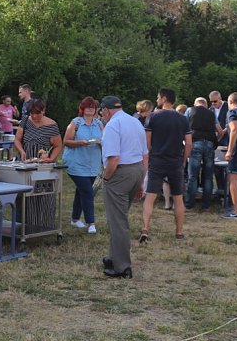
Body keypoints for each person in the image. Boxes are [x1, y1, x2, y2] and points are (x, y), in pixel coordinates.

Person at [99, 96, 148, 278]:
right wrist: (141, 180)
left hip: (119, 173)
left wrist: (106, 178)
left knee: (118, 222)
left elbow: (114, 159)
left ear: (105, 110)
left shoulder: (112, 125)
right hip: (136, 171)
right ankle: (113, 256)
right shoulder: (135, 122)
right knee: (118, 217)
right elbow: (145, 156)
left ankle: (122, 267)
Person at [141, 88, 191, 242]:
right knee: (178, 198)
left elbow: (147, 143)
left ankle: (145, 229)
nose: (156, 100)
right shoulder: (183, 119)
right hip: (175, 161)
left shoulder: (152, 117)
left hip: (157, 160)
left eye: (158, 98)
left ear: (163, 99)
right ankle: (179, 231)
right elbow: (189, 143)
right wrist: (183, 160)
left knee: (150, 197)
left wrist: (147, 159)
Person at [62, 97, 104, 234]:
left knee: (81, 191)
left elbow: (104, 140)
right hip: (76, 163)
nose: (91, 109)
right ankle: (91, 222)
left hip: (93, 164)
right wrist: (80, 142)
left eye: (93, 107)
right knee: (87, 192)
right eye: (88, 106)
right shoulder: (76, 123)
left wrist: (101, 142)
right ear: (82, 109)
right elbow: (66, 141)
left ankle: (74, 219)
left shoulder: (99, 124)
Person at [186, 97, 223, 211]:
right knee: (208, 176)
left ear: (195, 104)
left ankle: (189, 203)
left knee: (193, 175)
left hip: (195, 142)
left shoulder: (190, 110)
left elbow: (184, 127)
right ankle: (206, 204)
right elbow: (220, 131)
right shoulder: (211, 113)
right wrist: (216, 141)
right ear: (206, 105)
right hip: (209, 144)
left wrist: (185, 143)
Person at [209, 91, 230, 198]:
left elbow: (231, 121)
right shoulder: (211, 109)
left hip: (226, 138)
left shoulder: (228, 106)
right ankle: (220, 188)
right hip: (216, 138)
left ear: (220, 98)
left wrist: (223, 131)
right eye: (211, 102)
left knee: (225, 165)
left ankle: (227, 190)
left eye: (215, 101)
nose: (213, 104)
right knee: (216, 165)